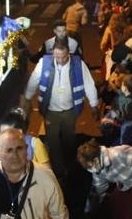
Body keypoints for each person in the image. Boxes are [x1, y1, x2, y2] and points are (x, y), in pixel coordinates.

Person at [24, 40, 98, 185]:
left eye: (63, 57)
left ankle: (69, 164)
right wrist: (27, 97)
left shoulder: (78, 64)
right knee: (53, 141)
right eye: (57, 57)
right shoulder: (44, 63)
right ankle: (59, 172)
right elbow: (34, 81)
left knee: (68, 139)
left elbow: (89, 84)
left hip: (70, 111)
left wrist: (94, 104)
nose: (60, 60)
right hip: (51, 111)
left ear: (68, 54)